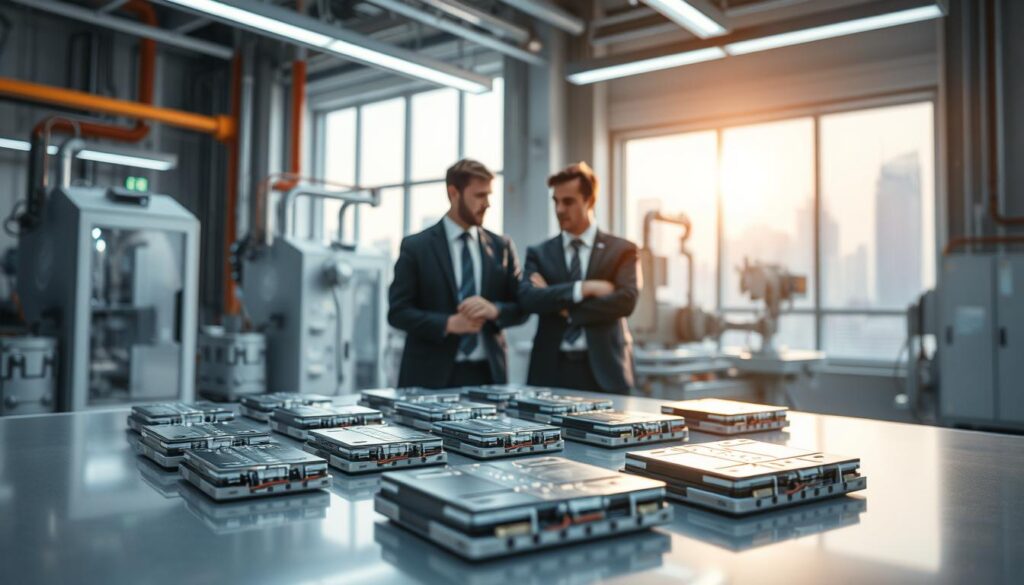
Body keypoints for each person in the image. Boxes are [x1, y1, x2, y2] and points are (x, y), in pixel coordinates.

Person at [388, 159, 526, 388]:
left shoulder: (502, 246)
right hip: (429, 377)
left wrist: (495, 310)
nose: (488, 204)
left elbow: (522, 307)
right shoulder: (416, 247)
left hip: (489, 376)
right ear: (454, 193)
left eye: (489, 195)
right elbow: (398, 312)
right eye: (480, 195)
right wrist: (448, 323)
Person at [519, 162, 639, 394]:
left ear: (590, 201)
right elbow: (529, 299)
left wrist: (564, 309)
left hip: (605, 372)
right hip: (550, 371)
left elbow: (626, 301)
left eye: (568, 201)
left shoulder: (622, 250)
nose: (560, 209)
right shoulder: (540, 253)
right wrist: (582, 289)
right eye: (556, 201)